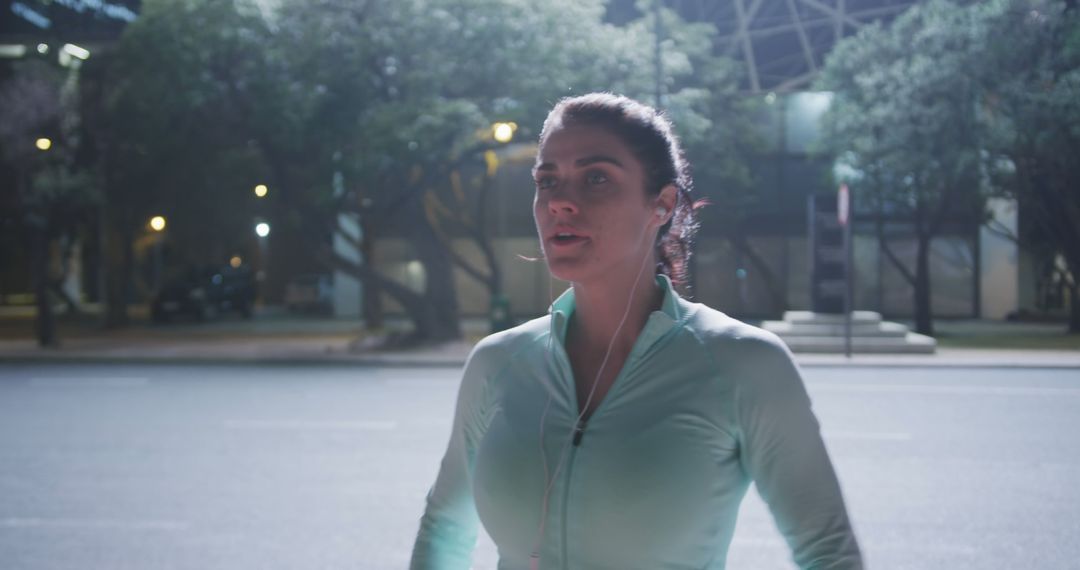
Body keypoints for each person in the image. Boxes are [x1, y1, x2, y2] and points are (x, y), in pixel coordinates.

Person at [409, 93, 863, 570]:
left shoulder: (742, 362)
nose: (560, 201)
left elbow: (826, 550)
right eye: (547, 181)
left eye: (596, 179)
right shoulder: (499, 361)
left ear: (661, 204)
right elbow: (444, 528)